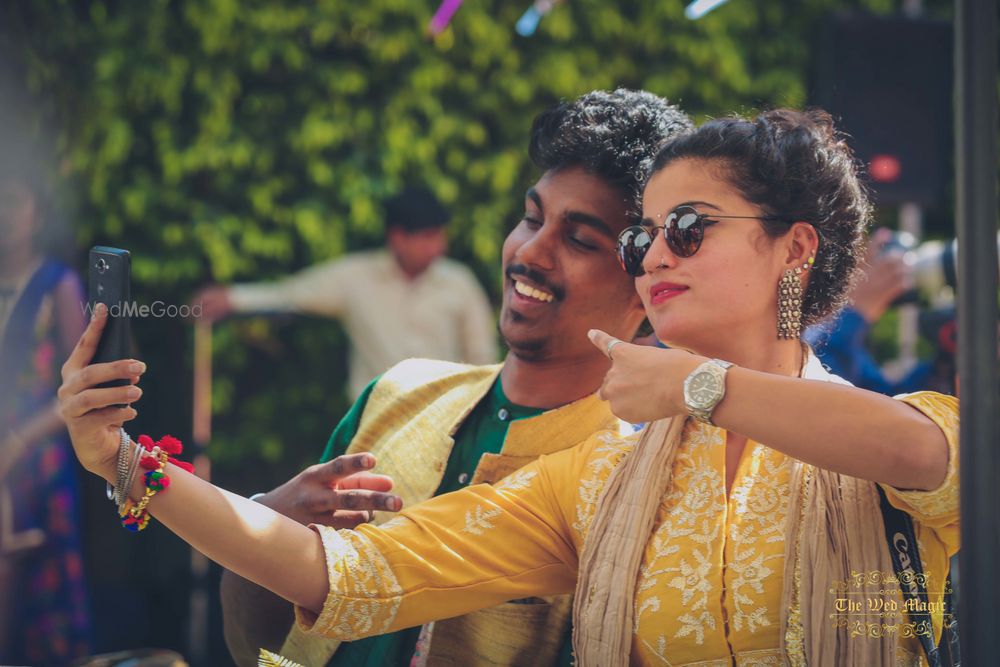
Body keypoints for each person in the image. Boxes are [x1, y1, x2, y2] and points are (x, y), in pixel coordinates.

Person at [58, 109, 958, 666]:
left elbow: (919, 452)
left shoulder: (906, 431)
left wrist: (700, 385)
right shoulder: (603, 474)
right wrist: (129, 464)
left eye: (687, 227)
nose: (657, 257)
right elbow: (352, 573)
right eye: (643, 238)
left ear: (794, 248)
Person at [219, 90, 693, 667]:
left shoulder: (635, 486)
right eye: (531, 218)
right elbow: (260, 648)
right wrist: (268, 521)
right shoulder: (397, 395)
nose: (529, 252)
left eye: (578, 239)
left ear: (647, 291)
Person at [192, 187, 498, 399]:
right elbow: (293, 292)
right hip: (374, 425)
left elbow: (482, 358)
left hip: (446, 422)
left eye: (440, 236)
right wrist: (232, 298)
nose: (439, 248)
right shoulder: (356, 278)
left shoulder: (459, 281)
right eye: (428, 238)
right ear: (397, 238)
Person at [0, 163, 92, 664]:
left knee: (42, 592)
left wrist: (15, 443)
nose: (5, 214)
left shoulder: (58, 284)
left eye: (15, 201)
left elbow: (77, 388)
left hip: (37, 459)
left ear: (37, 214)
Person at [805, 227, 934, 394]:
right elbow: (818, 393)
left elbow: (884, 398)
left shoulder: (835, 329)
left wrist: (945, 361)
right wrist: (856, 312)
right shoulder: (796, 324)